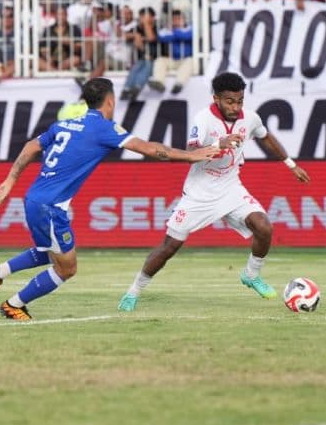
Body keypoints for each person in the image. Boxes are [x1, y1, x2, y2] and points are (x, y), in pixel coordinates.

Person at [0, 78, 220, 320]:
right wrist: (191, 156)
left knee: (52, 251)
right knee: (67, 268)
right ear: (110, 101)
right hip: (50, 208)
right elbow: (151, 149)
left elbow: (31, 146)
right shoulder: (104, 128)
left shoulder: (63, 125)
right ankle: (14, 304)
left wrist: (10, 181)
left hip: (35, 199)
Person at [117, 72, 311, 312]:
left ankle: (251, 275)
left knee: (263, 226)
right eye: (229, 101)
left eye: (239, 101)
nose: (235, 107)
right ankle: (133, 291)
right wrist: (219, 143)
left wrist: (291, 165)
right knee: (169, 247)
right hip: (199, 192)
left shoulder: (250, 118)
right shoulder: (204, 119)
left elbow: (266, 137)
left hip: (230, 188)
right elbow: (190, 153)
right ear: (216, 98)